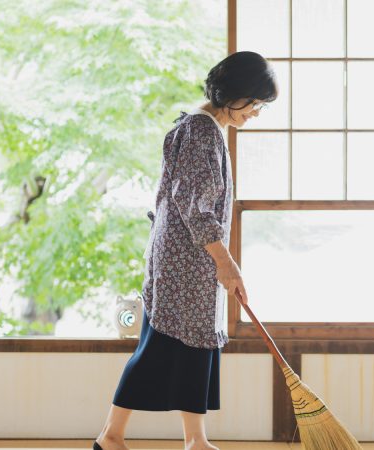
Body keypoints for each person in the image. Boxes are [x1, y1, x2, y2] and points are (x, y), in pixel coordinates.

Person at [93, 51, 278, 450]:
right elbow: (197, 205)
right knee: (160, 347)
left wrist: (221, 263)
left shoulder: (203, 127)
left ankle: (195, 440)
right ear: (236, 93)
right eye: (256, 103)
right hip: (184, 261)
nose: (257, 113)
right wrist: (227, 264)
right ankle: (110, 437)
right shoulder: (201, 131)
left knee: (194, 346)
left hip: (188, 259)